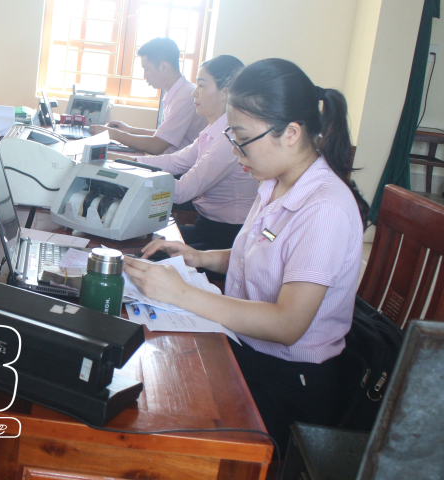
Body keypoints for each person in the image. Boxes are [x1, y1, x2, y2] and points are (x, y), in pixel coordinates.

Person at [124, 58, 369, 451]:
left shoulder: (325, 209)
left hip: (290, 379)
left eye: (241, 137)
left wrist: (182, 294)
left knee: (163, 405)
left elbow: (288, 324)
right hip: (249, 346)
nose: (236, 150)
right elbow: (258, 256)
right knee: (153, 361)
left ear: (291, 133)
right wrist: (199, 258)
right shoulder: (275, 182)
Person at [138, 55, 257, 250]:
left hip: (226, 239)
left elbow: (182, 192)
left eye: (201, 85)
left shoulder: (229, 139)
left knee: (143, 246)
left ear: (225, 92)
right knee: (142, 239)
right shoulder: (215, 129)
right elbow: (176, 161)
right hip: (207, 227)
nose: (195, 93)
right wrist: (128, 162)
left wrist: (135, 180)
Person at [90, 37, 206, 155]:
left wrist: (112, 134)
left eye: (146, 69)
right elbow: (165, 135)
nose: (144, 76)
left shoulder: (185, 96)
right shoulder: (177, 91)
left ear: (164, 67)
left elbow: (156, 145)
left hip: (177, 165)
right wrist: (130, 130)